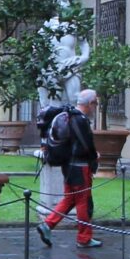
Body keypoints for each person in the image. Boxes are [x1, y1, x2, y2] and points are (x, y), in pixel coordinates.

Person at [41, 88, 100, 250]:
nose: (96, 106)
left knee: (70, 199)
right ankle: (84, 238)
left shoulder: (71, 116)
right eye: (95, 102)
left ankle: (47, 225)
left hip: (69, 166)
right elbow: (86, 145)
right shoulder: (80, 120)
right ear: (89, 104)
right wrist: (95, 157)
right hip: (80, 167)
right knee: (82, 201)